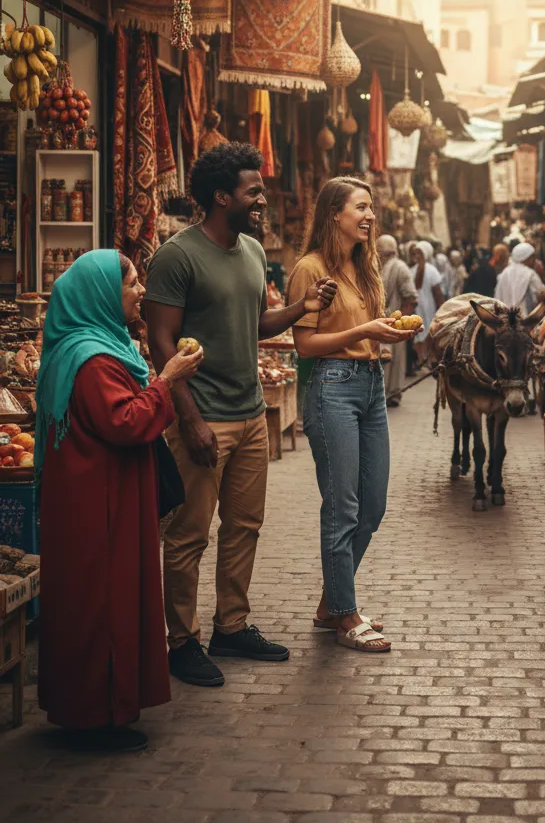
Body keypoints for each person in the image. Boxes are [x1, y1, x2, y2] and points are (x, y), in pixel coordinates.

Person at [145, 142, 338, 688]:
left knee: (245, 527)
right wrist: (189, 418)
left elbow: (258, 324)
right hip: (202, 418)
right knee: (188, 536)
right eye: (253, 190)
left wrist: (303, 307)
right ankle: (180, 641)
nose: (261, 198)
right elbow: (160, 343)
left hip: (252, 414)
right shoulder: (177, 256)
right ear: (220, 195)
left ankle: (231, 626)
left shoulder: (251, 251)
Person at [37, 250, 204, 751]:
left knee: (98, 597)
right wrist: (167, 379)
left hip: (98, 495)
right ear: (103, 294)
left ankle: (98, 708)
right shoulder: (92, 358)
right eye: (132, 283)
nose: (140, 293)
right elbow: (126, 421)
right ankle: (96, 716)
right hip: (99, 503)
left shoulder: (96, 346)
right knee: (102, 601)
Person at [288, 178, 417, 653]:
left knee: (373, 506)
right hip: (332, 388)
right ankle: (344, 615)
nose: (368, 215)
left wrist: (385, 334)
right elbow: (304, 345)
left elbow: (366, 332)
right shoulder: (310, 269)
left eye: (370, 208)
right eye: (359, 207)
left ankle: (331, 602)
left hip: (371, 387)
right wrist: (365, 329)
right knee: (342, 508)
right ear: (333, 214)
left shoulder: (366, 267)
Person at [379, 233, 418, 407]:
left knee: (395, 359)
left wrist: (400, 322)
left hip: (396, 321)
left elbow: (410, 298)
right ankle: (382, 393)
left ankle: (393, 393)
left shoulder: (400, 267)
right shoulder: (378, 266)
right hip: (380, 321)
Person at [412, 240, 445, 364]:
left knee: (429, 333)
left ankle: (429, 360)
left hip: (430, 308)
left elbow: (438, 294)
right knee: (418, 334)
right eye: (415, 253)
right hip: (417, 308)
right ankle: (421, 360)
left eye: (420, 253)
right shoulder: (412, 270)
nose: (417, 256)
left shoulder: (432, 271)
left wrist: (441, 311)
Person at [494, 242, 545, 315]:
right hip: (524, 320)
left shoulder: (505, 272)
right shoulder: (530, 273)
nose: (534, 260)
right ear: (525, 258)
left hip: (503, 319)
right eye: (532, 257)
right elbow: (543, 292)